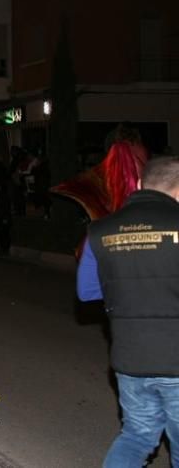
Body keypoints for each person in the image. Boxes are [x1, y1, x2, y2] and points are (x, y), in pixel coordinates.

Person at [77, 155, 179, 467]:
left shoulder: (100, 230)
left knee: (137, 436)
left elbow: (87, 292)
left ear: (138, 184)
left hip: (129, 357)